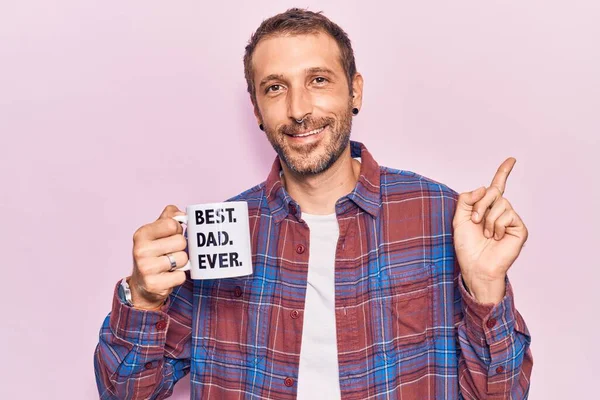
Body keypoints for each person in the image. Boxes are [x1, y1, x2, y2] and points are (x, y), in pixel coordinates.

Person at [94, 8, 532, 400]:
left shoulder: (439, 216)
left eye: (318, 80)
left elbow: (502, 396)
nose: (298, 108)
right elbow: (127, 394)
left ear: (354, 92)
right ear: (256, 109)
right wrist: (144, 298)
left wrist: (485, 287)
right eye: (274, 88)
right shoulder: (215, 236)